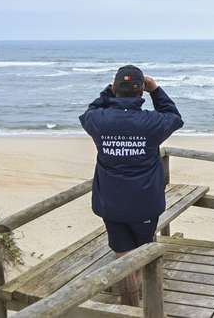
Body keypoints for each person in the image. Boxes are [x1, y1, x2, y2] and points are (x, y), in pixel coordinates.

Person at [79, 65, 183, 306]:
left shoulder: (98, 120)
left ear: (115, 88)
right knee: (141, 253)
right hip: (145, 203)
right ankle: (138, 302)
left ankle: (129, 303)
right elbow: (174, 117)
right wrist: (156, 90)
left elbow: (90, 111)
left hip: (111, 202)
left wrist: (109, 90)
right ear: (141, 92)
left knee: (122, 254)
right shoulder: (152, 122)